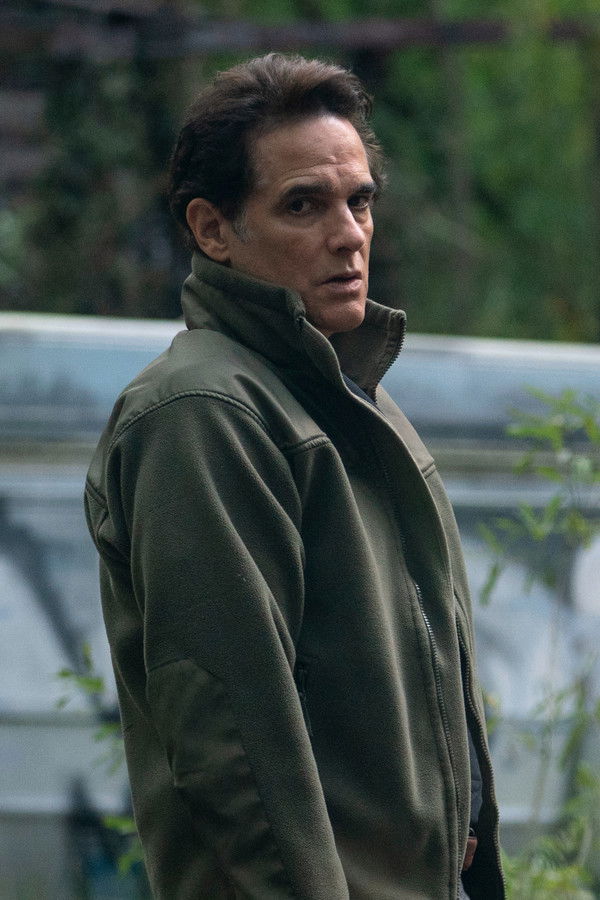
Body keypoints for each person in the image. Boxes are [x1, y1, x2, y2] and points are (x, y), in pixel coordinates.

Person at [85, 53, 504, 900]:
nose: (349, 234)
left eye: (360, 201)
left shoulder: (349, 396)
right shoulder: (204, 412)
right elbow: (232, 737)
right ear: (213, 230)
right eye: (303, 205)